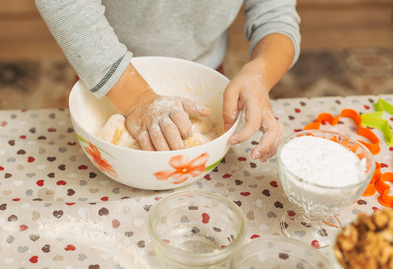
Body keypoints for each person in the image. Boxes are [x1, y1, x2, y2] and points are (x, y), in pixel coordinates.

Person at [35, 0, 300, 162]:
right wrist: (138, 99)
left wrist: (259, 74)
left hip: (203, 73)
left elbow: (276, 16)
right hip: (107, 76)